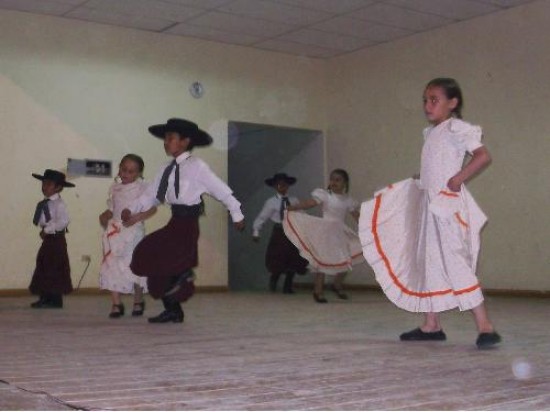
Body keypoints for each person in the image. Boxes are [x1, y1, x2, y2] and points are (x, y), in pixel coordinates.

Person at [359, 78, 501, 349]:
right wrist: (420, 179)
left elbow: (483, 156)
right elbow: (434, 169)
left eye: (434, 99)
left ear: (453, 103)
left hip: (446, 207)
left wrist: (458, 179)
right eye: (425, 100)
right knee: (428, 262)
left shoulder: (456, 128)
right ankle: (431, 324)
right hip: (430, 208)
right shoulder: (431, 133)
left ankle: (486, 326)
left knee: (455, 262)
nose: (427, 105)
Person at [122, 118, 245, 324]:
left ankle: (183, 275)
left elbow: (220, 190)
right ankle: (174, 308)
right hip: (175, 221)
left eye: (170, 138)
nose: (166, 142)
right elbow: (151, 195)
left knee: (171, 262)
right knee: (148, 252)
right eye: (165, 138)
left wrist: (237, 213)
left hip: (188, 224)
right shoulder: (165, 169)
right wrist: (130, 209)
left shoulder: (197, 166)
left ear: (185, 142)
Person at [284, 169, 364, 303]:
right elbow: (310, 203)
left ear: (345, 183)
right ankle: (318, 291)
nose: (333, 182)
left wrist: (370, 228)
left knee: (348, 257)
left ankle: (337, 285)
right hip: (326, 231)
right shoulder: (325, 195)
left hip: (340, 232)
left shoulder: (348, 200)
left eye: (338, 180)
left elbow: (357, 217)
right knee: (323, 260)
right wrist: (294, 207)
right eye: (332, 179)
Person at [99, 154, 157, 319]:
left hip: (133, 231)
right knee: (112, 265)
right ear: (119, 168)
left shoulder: (142, 188)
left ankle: (138, 300)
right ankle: (116, 303)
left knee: (134, 265)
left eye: (131, 172)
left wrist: (136, 218)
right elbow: (112, 209)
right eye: (123, 170)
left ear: (139, 173)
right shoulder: (115, 188)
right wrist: (105, 215)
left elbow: (152, 209)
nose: (126, 174)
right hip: (115, 230)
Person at [252, 173, 308, 294]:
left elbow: (301, 214)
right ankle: (274, 280)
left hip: (293, 231)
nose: (282, 186)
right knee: (278, 257)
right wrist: (256, 231)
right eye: (279, 184)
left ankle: (288, 285)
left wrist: (307, 228)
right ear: (274, 186)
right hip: (279, 232)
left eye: (284, 184)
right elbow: (262, 217)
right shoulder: (271, 202)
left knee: (293, 257)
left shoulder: (294, 200)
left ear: (288, 186)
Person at [29, 169, 75, 309]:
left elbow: (64, 221)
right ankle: (45, 297)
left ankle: (54, 299)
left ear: (58, 187)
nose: (44, 187)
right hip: (49, 240)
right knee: (44, 265)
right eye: (43, 183)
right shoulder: (46, 203)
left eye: (49, 184)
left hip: (56, 240)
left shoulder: (59, 204)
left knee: (54, 267)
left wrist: (47, 230)